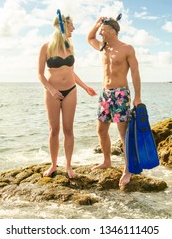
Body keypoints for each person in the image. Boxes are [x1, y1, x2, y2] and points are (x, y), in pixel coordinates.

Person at [38, 13, 96, 179]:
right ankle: (54, 165)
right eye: (71, 25)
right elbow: (40, 75)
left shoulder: (69, 46)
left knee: (69, 129)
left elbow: (71, 71)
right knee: (54, 130)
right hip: (52, 92)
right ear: (63, 26)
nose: (74, 28)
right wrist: (51, 90)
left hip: (71, 90)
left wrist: (85, 87)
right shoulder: (46, 47)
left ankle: (69, 166)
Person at [87, 16, 142, 187]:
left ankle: (128, 168)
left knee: (123, 133)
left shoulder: (127, 48)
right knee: (101, 129)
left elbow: (135, 73)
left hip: (120, 94)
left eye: (103, 30)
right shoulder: (103, 47)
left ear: (112, 31)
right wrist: (97, 23)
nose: (100, 33)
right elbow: (89, 38)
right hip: (105, 94)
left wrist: (137, 97)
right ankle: (106, 160)